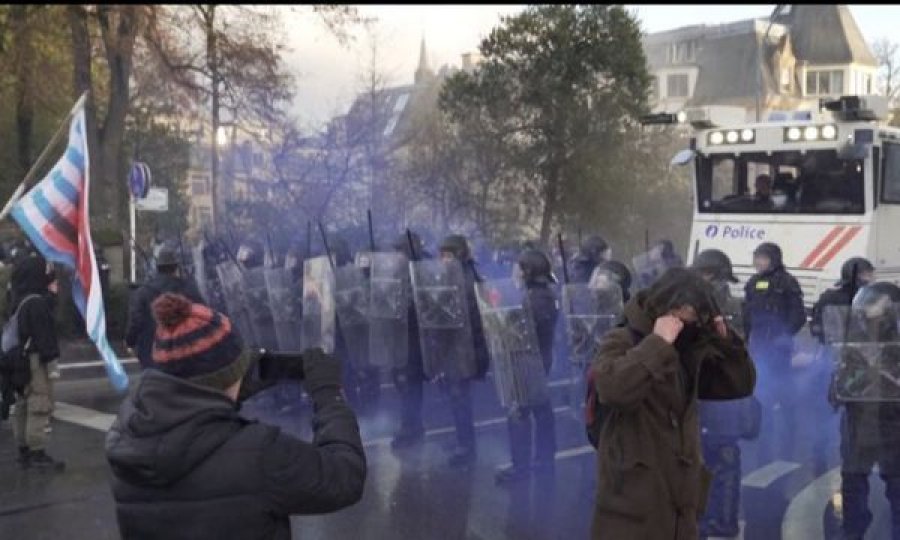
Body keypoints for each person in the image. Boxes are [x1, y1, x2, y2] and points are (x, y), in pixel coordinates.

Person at [106, 293, 366, 539]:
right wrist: (328, 395)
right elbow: (344, 477)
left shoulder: (127, 439)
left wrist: (230, 392)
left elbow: (189, 410)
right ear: (230, 375)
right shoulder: (258, 454)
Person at [591, 268, 756, 539]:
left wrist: (725, 343)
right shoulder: (624, 338)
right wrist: (657, 343)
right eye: (682, 313)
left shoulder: (689, 346)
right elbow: (613, 389)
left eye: (696, 316)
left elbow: (738, 385)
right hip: (633, 505)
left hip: (680, 504)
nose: (687, 323)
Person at [692, 249, 757, 538]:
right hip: (733, 390)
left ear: (707, 273)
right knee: (728, 457)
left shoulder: (702, 304)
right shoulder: (736, 302)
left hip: (709, 391)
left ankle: (706, 520)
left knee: (704, 458)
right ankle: (727, 520)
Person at [833, 283, 900, 539]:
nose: (868, 312)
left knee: (896, 484)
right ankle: (852, 530)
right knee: (852, 480)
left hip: (893, 423)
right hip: (859, 421)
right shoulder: (853, 339)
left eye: (875, 306)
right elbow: (841, 381)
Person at [495, 248, 559, 485]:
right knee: (540, 411)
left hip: (529, 362)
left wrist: (504, 323)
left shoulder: (536, 298)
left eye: (518, 266)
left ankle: (522, 468)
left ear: (527, 271)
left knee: (520, 411)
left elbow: (524, 331)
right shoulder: (542, 294)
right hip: (538, 360)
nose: (514, 270)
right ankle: (544, 463)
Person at [438, 234, 491, 468]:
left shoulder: (467, 278)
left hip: (465, 348)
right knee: (455, 397)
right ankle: (462, 439)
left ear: (459, 254)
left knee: (460, 398)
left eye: (447, 255)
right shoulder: (457, 275)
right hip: (455, 348)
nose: (443, 260)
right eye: (442, 256)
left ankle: (467, 448)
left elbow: (470, 317)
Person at [10, 252, 64, 471]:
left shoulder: (18, 300)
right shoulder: (38, 303)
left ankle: (24, 449)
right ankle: (37, 452)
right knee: (39, 403)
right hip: (34, 360)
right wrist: (52, 361)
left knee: (22, 404)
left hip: (18, 360)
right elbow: (44, 336)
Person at [743, 242, 806, 409]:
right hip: (757, 342)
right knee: (757, 381)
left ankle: (784, 416)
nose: (758, 262)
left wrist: (785, 335)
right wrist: (746, 336)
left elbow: (799, 315)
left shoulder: (787, 282)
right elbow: (747, 313)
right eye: (756, 258)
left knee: (781, 383)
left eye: (762, 258)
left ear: (774, 260)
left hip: (779, 343)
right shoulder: (752, 282)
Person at [125, 247, 204, 370]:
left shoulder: (143, 292)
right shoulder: (188, 289)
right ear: (176, 267)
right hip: (183, 349)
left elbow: (136, 321)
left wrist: (130, 341)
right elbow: (202, 313)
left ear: (157, 268)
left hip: (152, 351)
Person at [391, 231, 429, 450]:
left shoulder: (420, 272)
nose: (396, 255)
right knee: (402, 381)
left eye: (400, 251)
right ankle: (412, 425)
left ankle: (411, 428)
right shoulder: (400, 272)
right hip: (400, 337)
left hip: (415, 339)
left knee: (410, 383)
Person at [810, 257, 875, 344]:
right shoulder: (831, 297)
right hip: (834, 347)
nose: (871, 278)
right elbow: (817, 324)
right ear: (855, 276)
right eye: (867, 275)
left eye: (870, 274)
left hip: (864, 348)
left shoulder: (872, 297)